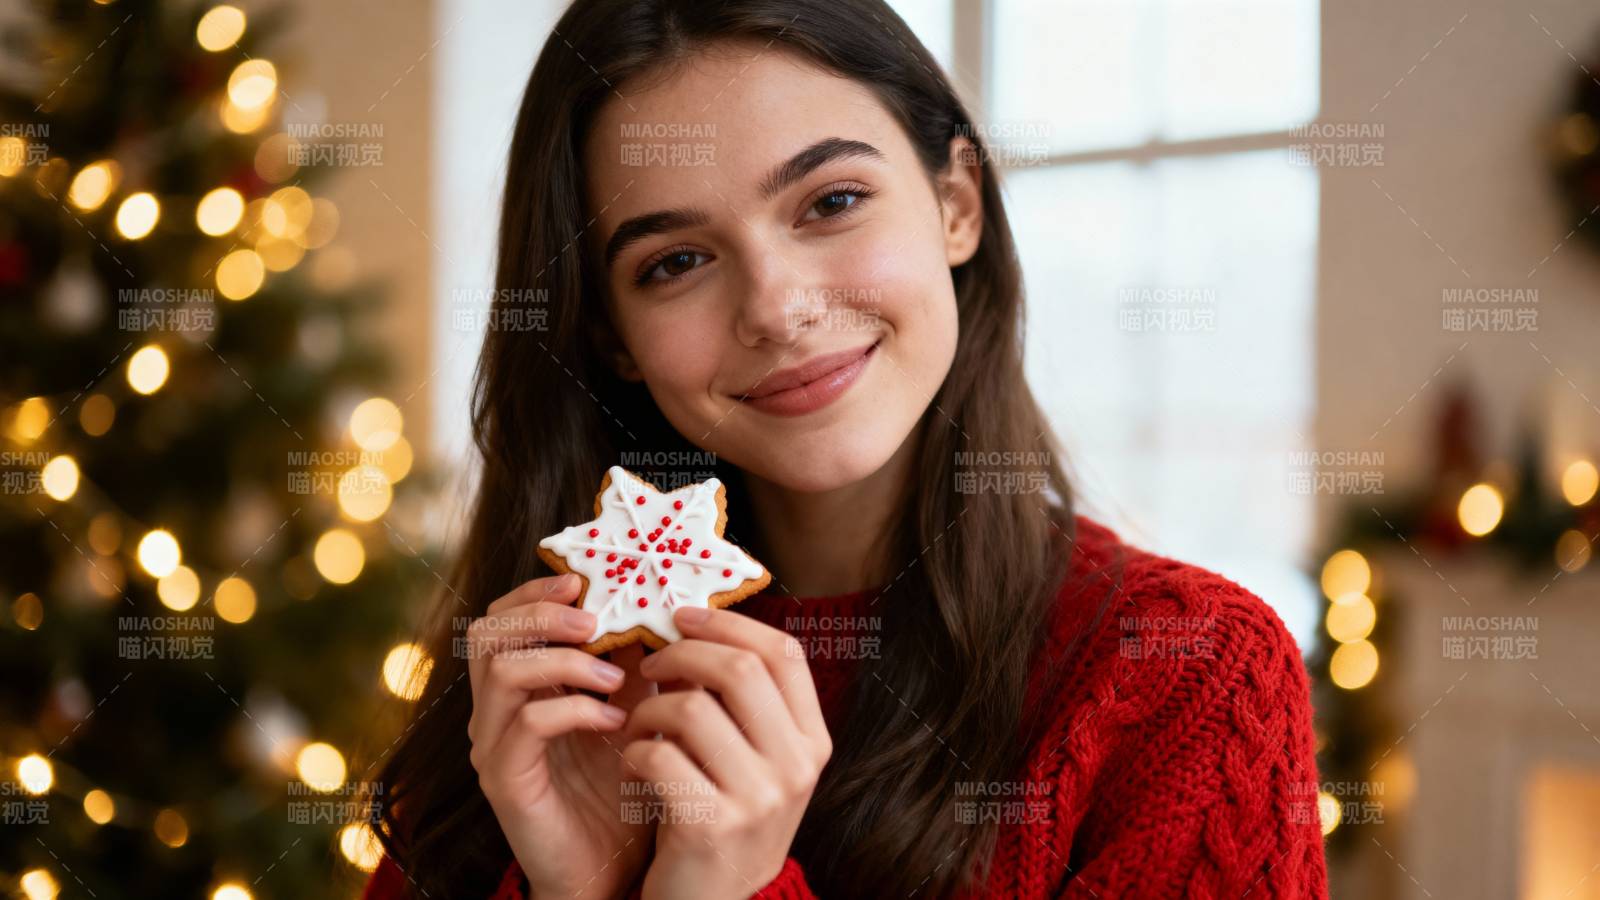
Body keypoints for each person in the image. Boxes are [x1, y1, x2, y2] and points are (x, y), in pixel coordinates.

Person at [360, 1, 1329, 897]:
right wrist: (582, 887)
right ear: (611, 334)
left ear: (956, 204)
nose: (778, 308)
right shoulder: (531, 700)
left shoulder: (1187, 673)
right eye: (676, 262)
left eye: (830, 203)